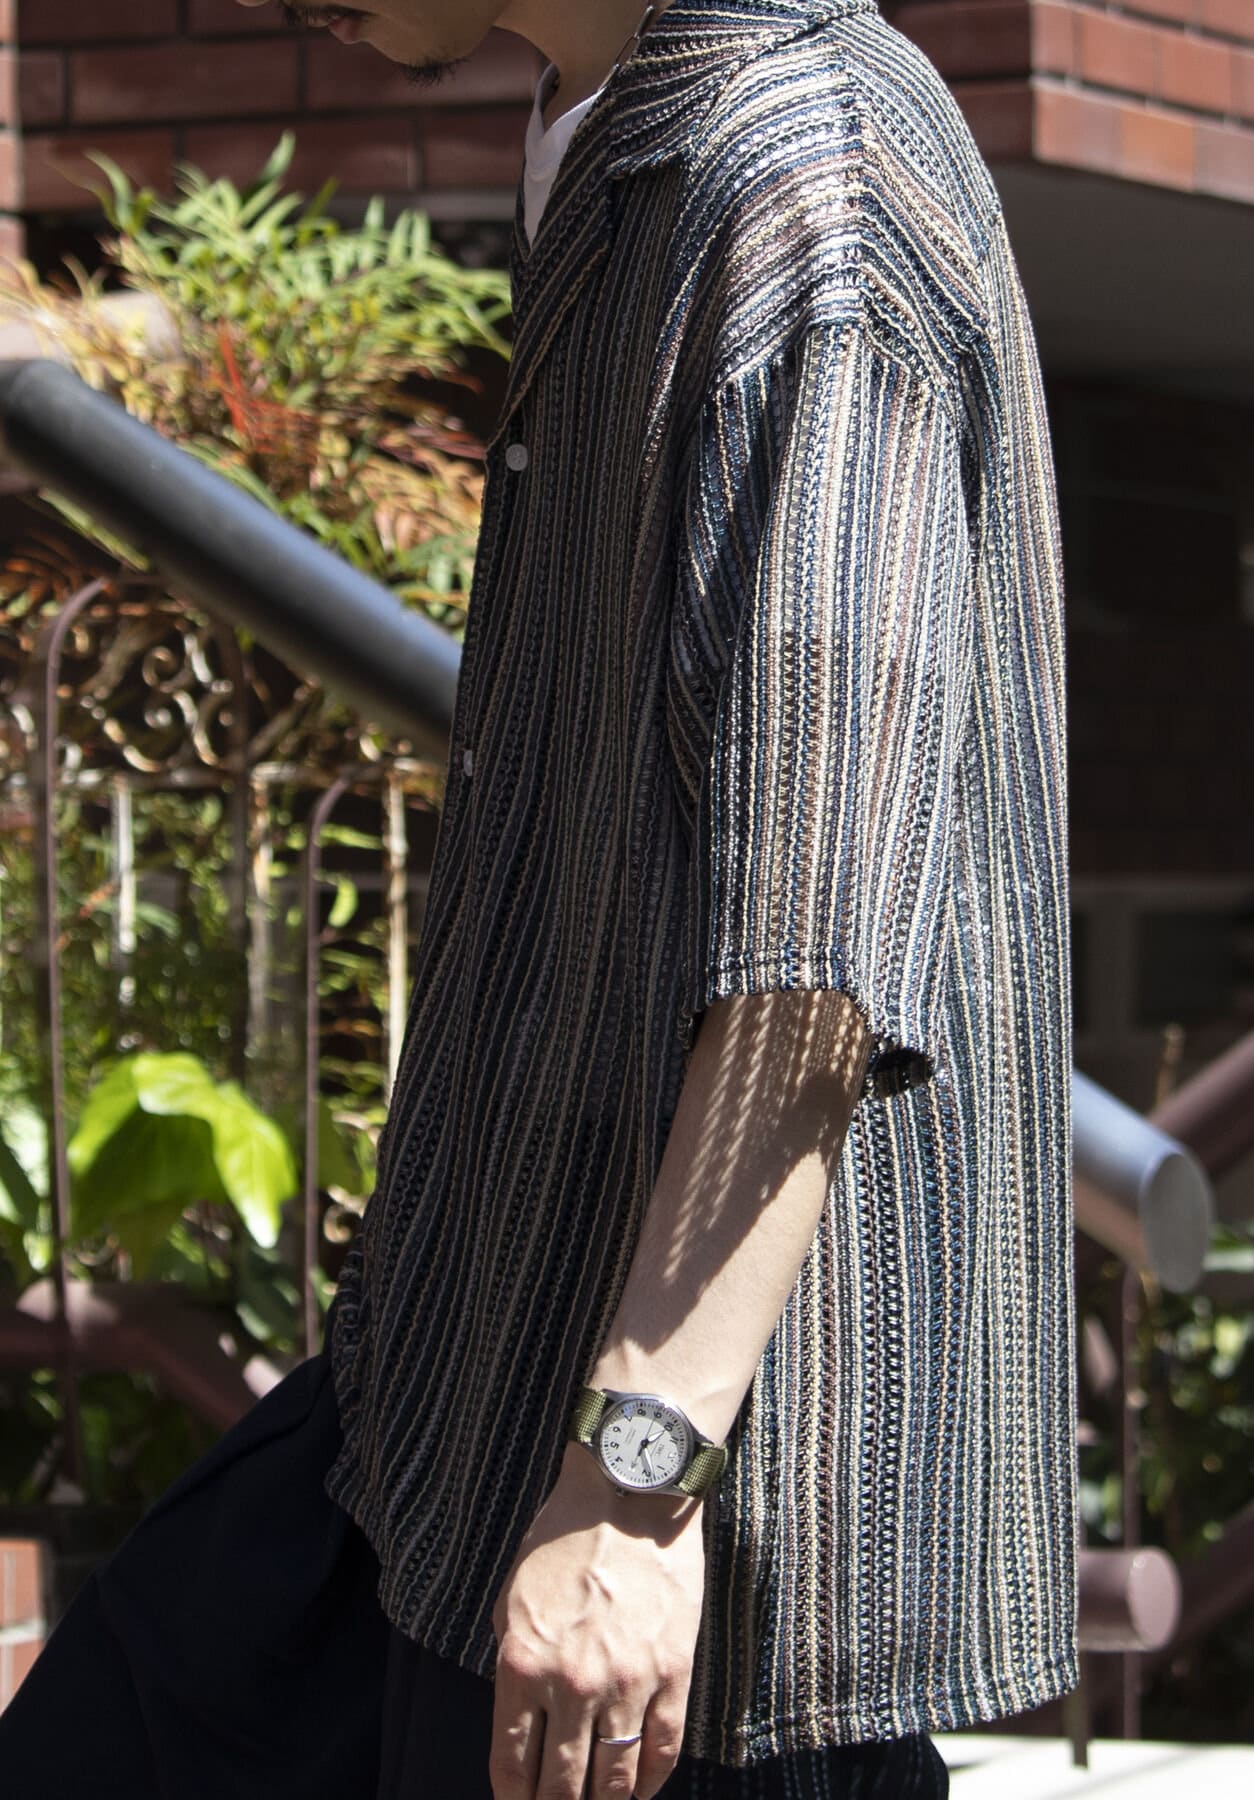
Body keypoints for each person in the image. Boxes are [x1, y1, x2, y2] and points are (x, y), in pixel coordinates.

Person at [0, 0, 1077, 1794]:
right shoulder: (622, 119)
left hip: (670, 1507)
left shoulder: (809, 194)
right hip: (455, 1384)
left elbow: (818, 956)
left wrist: (637, 1483)